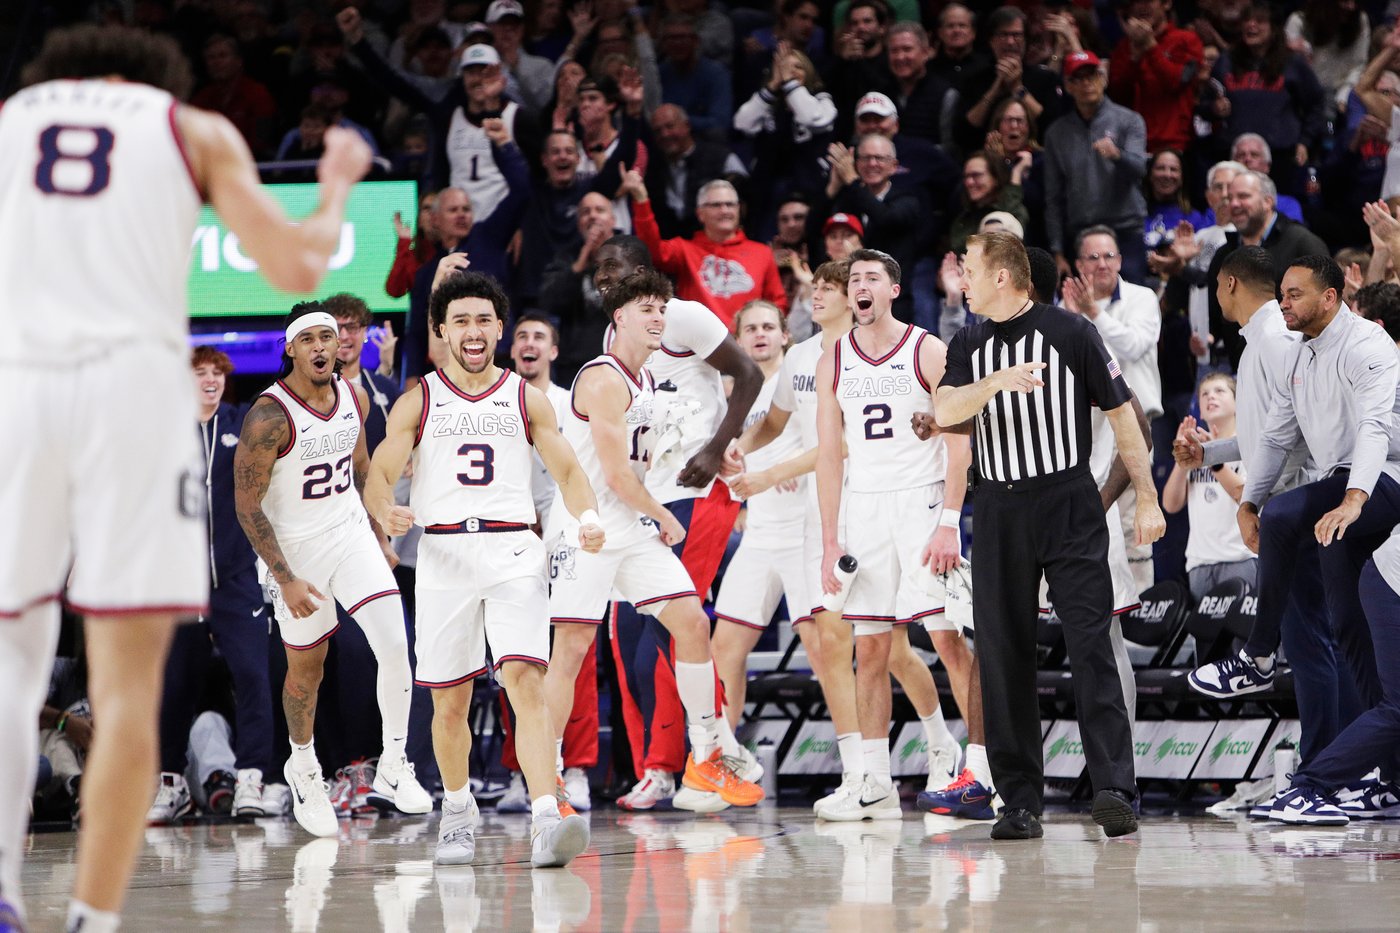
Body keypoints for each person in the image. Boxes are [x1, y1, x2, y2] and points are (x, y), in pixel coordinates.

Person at [0, 23, 370, 933]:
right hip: (132, 396)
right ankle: (92, 916)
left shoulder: (12, 117)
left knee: (12, 669)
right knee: (130, 687)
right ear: (153, 80)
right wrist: (335, 182)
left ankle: (5, 891)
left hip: (22, 385)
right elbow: (297, 264)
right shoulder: (187, 126)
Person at [364, 270, 602, 867]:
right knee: (450, 702)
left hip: (513, 550)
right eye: (461, 321)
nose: (473, 331)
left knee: (525, 679)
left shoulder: (526, 398)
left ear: (499, 329)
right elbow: (378, 473)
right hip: (443, 554)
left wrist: (589, 517)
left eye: (483, 320)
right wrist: (385, 510)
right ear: (442, 331)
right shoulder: (419, 398)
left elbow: (569, 471)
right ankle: (457, 809)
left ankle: (546, 816)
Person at [937, 232, 1165, 840]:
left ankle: (1114, 789)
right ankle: (1018, 801)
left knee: (1091, 645)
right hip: (998, 508)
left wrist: (1146, 496)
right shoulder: (967, 342)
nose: (962, 281)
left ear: (1002, 277)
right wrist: (996, 383)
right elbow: (946, 411)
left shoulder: (1072, 333)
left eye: (970, 270)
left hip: (1068, 500)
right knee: (1003, 653)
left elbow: (1123, 415)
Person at [540, 269, 765, 811]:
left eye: (663, 309)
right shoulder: (602, 379)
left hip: (629, 527)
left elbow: (656, 448)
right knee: (571, 651)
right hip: (587, 527)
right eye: (646, 309)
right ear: (619, 317)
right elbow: (617, 476)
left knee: (692, 623)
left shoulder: (644, 380)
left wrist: (723, 451)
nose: (659, 318)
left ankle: (707, 754)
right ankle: (547, 779)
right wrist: (663, 514)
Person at [234, 304, 432, 839]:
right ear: (291, 349)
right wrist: (285, 579)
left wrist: (382, 528)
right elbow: (247, 507)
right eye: (310, 339)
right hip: (296, 556)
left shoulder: (353, 396)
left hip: (349, 538)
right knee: (307, 671)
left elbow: (361, 468)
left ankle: (394, 764)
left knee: (396, 644)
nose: (323, 346)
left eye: (329, 336)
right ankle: (303, 766)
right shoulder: (269, 416)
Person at [814, 249, 973, 821]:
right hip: (865, 508)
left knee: (949, 642)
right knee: (871, 648)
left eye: (872, 278)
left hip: (922, 505)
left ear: (893, 290)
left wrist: (949, 521)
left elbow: (959, 440)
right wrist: (830, 541)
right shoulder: (834, 359)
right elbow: (828, 454)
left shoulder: (926, 349)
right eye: (854, 278)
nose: (860, 285)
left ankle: (984, 771)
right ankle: (875, 782)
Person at [148, 349, 279, 825]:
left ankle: (251, 779)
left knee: (253, 677)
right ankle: (171, 783)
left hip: (236, 581)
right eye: (200, 373)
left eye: (217, 373)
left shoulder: (243, 423)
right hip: (181, 584)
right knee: (175, 685)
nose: (210, 380)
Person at [495, 314, 602, 813]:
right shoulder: (496, 401)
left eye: (539, 337)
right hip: (512, 541)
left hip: (566, 538)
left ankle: (574, 767)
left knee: (574, 654)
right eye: (522, 336)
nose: (530, 344)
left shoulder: (570, 403)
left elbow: (582, 473)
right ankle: (524, 772)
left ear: (554, 351)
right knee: (514, 660)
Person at [710, 301, 811, 726]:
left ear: (785, 335)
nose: (760, 334)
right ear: (738, 340)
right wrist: (740, 506)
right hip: (760, 535)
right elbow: (727, 460)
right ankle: (723, 751)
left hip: (807, 531)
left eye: (769, 326)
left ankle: (858, 757)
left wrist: (780, 472)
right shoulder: (735, 393)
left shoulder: (803, 378)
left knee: (824, 653)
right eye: (750, 328)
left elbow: (836, 446)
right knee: (723, 650)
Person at [1061, 225, 1164, 594]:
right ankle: (1097, 600)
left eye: (1109, 256)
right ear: (1078, 265)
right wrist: (1073, 318)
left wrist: (1090, 314)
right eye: (1093, 257)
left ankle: (1143, 604)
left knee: (1132, 515)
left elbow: (1132, 347)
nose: (1102, 264)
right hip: (1084, 430)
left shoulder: (1142, 297)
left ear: (1120, 260)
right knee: (1091, 515)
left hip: (1134, 424)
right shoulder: (1064, 306)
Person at [625, 168, 787, 328]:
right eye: (716, 205)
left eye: (730, 204)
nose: (725, 210)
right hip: (696, 341)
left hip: (746, 340)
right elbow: (652, 251)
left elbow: (777, 303)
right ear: (700, 213)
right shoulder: (684, 250)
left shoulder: (762, 253)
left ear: (739, 209)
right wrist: (641, 200)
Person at [1044, 50, 1150, 284]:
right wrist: (1057, 250)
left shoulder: (1129, 120)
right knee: (1083, 303)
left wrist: (1117, 155)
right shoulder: (1056, 133)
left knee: (1133, 298)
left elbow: (1140, 169)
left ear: (1103, 79)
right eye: (1078, 78)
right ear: (1068, 86)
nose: (1086, 84)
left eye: (1091, 76)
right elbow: (1053, 196)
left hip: (1125, 230)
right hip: (1081, 233)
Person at [1204, 170, 1328, 368]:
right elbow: (1215, 315)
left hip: (1297, 368)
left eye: (1243, 196)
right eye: (1230, 198)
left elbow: (1325, 309)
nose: (1234, 204)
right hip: (1238, 368)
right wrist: (1207, 337)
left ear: (1268, 201)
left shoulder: (1303, 244)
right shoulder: (1223, 254)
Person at [1162, 374, 1256, 600]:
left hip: (1241, 558)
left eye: (1219, 391)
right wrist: (1182, 458)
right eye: (1204, 393)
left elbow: (1246, 496)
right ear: (1200, 412)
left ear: (1237, 403)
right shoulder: (1196, 449)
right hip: (1200, 563)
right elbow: (1170, 505)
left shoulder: (1248, 445)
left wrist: (1213, 459)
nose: (1210, 396)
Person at [1107, 0, 1205, 155]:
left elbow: (1176, 82)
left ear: (1166, 3)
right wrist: (1134, 60)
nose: (1142, 6)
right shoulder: (1124, 47)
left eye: (1149, 0)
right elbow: (1117, 96)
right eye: (1137, 1)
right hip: (1133, 145)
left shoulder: (1187, 40)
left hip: (1176, 146)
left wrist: (1150, 46)